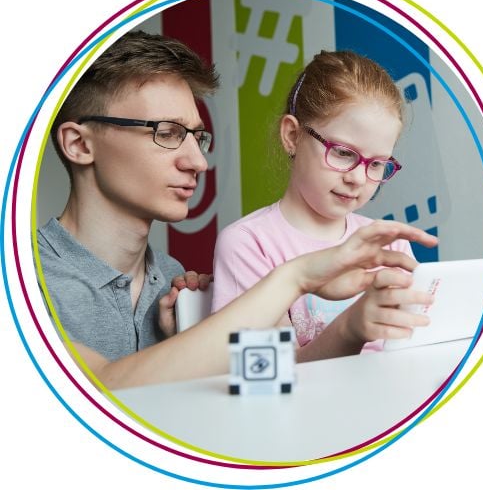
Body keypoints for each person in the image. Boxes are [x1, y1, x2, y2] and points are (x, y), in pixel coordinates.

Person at [37, 32, 437, 389]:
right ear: (79, 144)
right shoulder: (23, 282)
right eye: (167, 133)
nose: (198, 161)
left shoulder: (176, 285)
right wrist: (298, 280)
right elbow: (101, 389)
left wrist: (191, 330)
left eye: (198, 136)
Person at [212, 50, 426, 360]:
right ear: (292, 136)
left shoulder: (391, 245)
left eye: (377, 163)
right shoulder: (250, 243)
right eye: (342, 153)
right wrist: (349, 330)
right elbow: (269, 373)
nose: (357, 178)